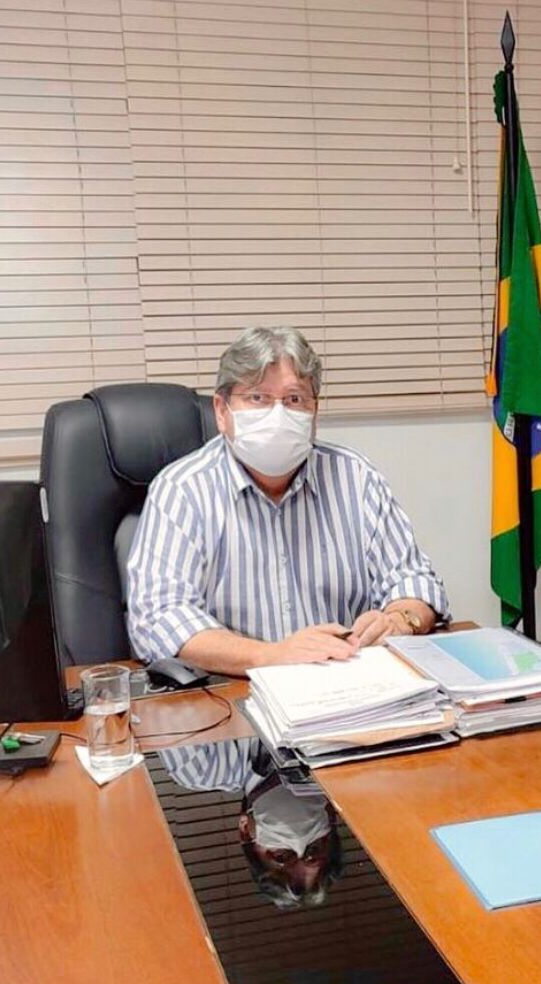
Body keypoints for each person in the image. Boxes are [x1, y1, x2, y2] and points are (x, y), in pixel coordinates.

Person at [126, 326, 448, 674]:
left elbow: (416, 580)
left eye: (294, 400)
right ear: (221, 410)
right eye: (258, 398)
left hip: (348, 678)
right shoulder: (182, 490)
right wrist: (270, 655)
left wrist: (400, 619)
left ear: (314, 411)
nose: (277, 416)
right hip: (236, 687)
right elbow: (159, 616)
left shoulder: (356, 478)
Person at [158, 737, 343, 909]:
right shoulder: (339, 745)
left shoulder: (201, 768)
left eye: (281, 855)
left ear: (245, 830)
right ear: (331, 815)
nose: (298, 840)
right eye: (313, 851)